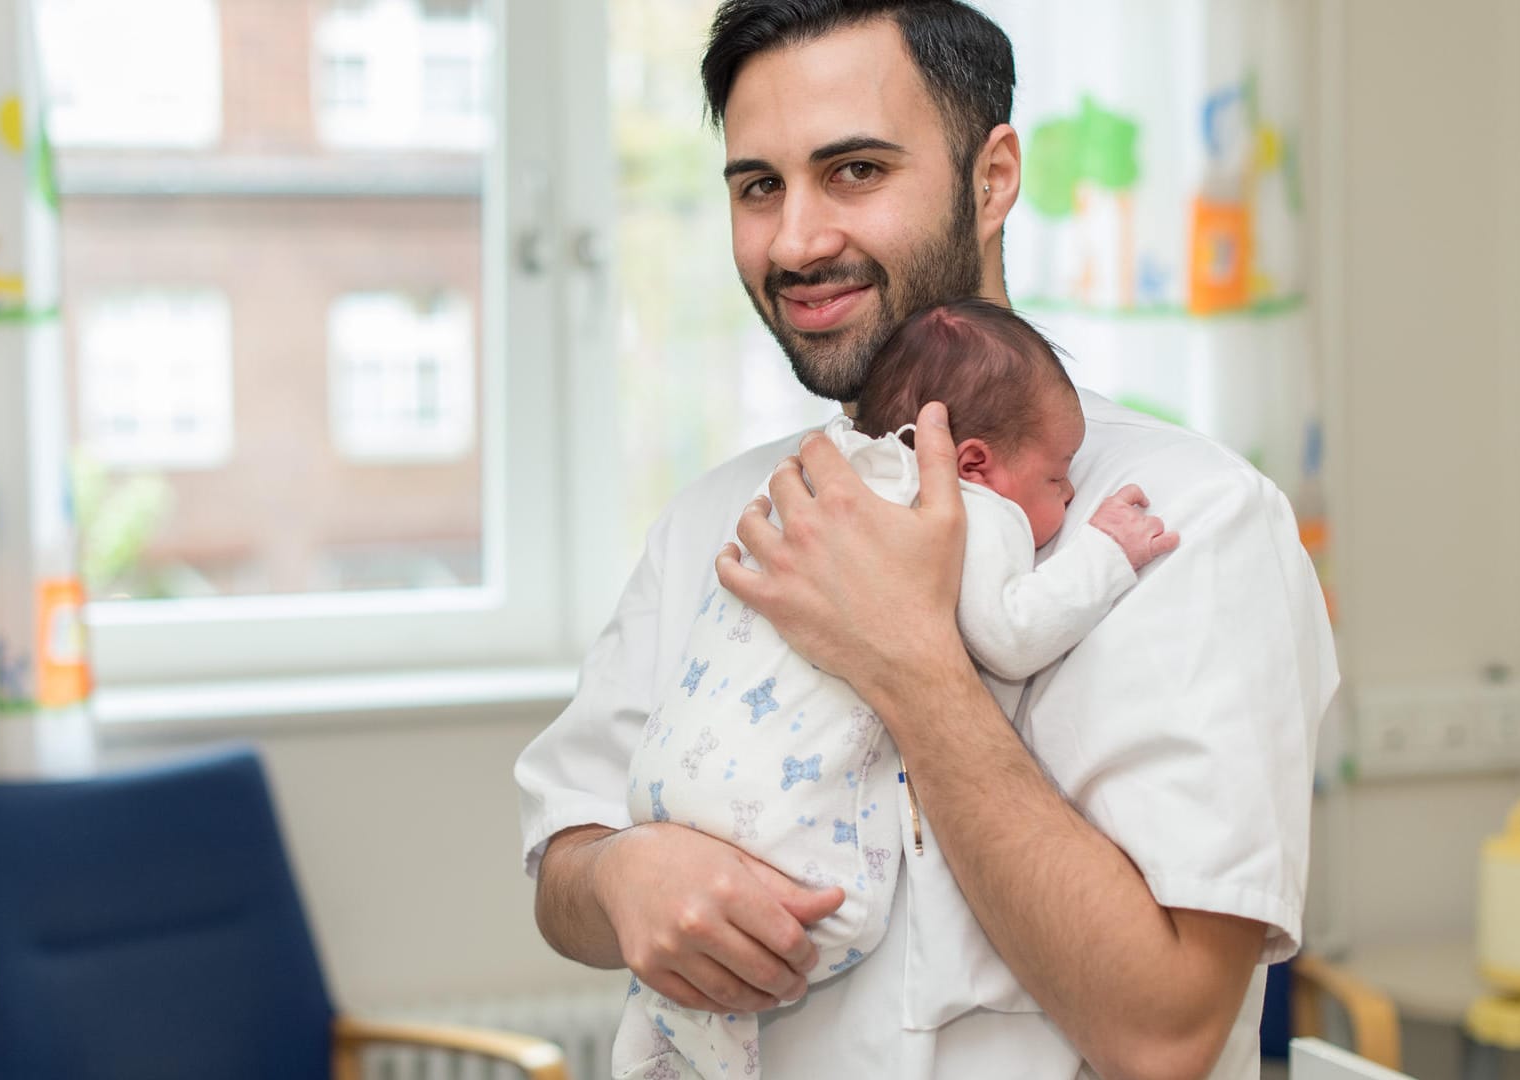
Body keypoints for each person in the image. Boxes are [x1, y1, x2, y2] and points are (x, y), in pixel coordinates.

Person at [515, 2, 1337, 1077]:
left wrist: (908, 658)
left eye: (854, 170)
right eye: (759, 185)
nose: (797, 239)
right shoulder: (717, 518)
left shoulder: (1194, 525)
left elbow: (1163, 1034)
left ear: (992, 179)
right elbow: (562, 863)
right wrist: (624, 880)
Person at [614, 299, 1178, 1080]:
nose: (1072, 497)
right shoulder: (967, 508)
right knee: (820, 931)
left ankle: (665, 1036)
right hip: (779, 837)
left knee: (698, 975)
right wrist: (1108, 554)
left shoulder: (822, 479)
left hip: (673, 792)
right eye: (1057, 476)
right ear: (972, 461)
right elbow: (1010, 636)